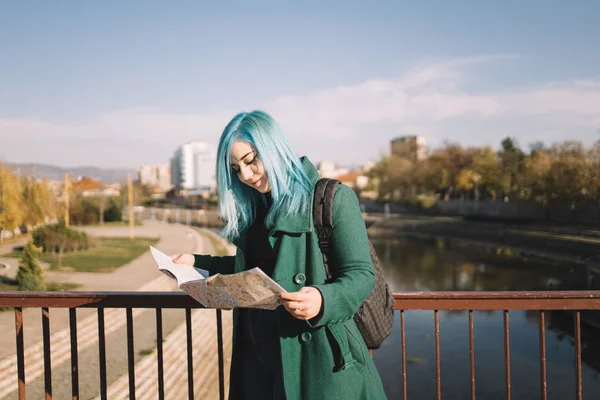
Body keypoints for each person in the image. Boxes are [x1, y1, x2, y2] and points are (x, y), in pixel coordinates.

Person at [172, 110, 387, 400]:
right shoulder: (253, 210)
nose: (246, 175)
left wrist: (323, 299)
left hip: (319, 362)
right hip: (259, 362)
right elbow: (252, 269)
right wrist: (197, 263)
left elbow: (361, 275)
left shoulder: (331, 199)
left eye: (251, 161)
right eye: (236, 169)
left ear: (274, 149)